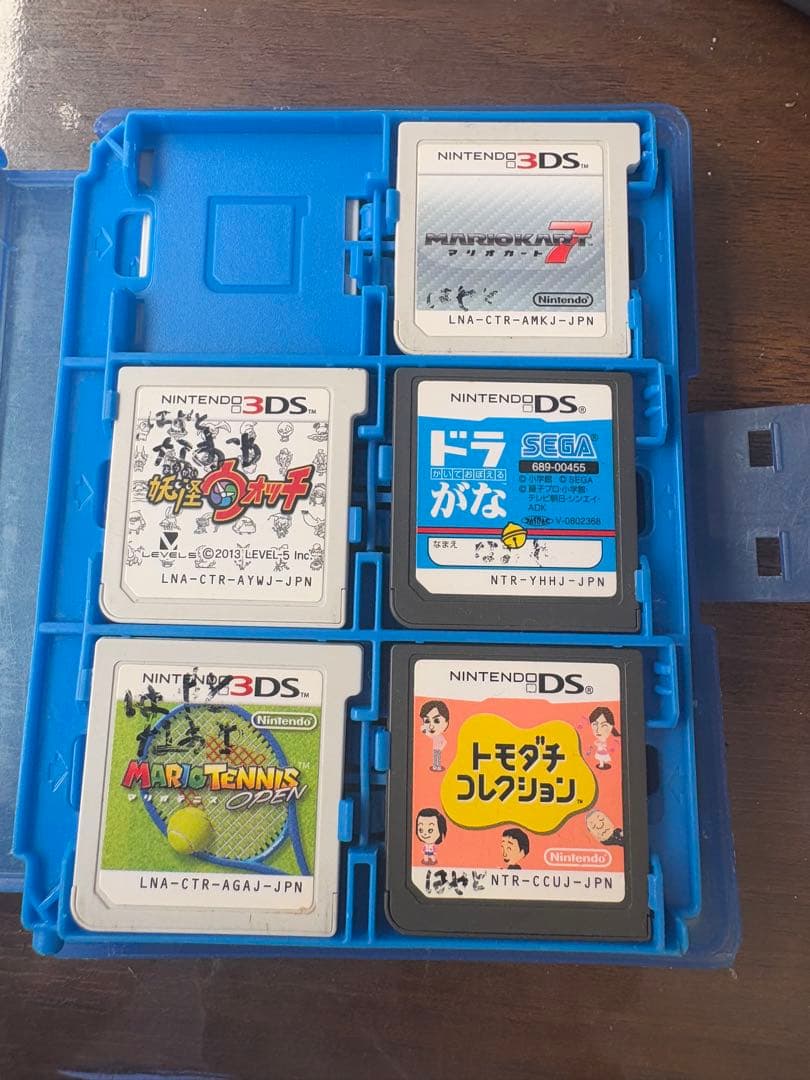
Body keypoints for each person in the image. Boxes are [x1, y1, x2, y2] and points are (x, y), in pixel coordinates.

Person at [419, 700, 450, 772]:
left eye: (436, 721)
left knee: (438, 758)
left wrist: (440, 748)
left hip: (438, 750)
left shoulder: (440, 736)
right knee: (435, 758)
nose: (431, 726)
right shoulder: (434, 735)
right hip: (435, 749)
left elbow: (444, 742)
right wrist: (423, 730)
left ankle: (438, 766)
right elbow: (429, 735)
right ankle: (435, 766)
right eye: (427, 721)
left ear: (446, 723)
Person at [588, 705, 620, 770]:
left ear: (611, 726)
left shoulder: (617, 742)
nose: (598, 730)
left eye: (603, 725)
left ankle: (603, 764)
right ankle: (602, 764)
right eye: (594, 725)